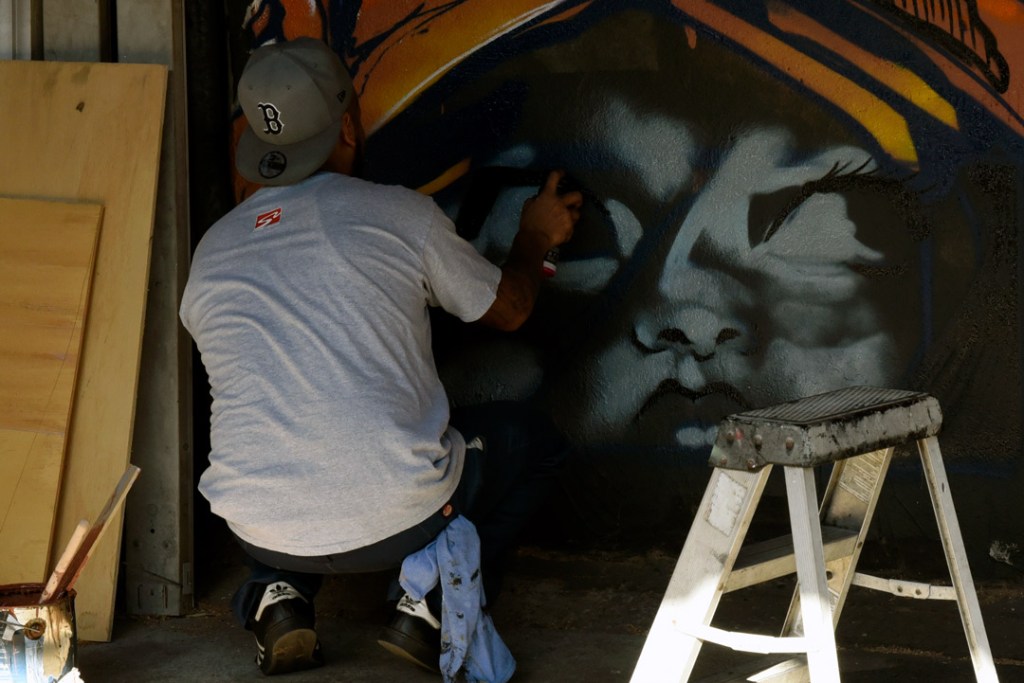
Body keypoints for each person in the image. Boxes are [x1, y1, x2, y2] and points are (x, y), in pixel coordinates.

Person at [179, 37, 582, 677]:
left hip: (257, 528)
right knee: (534, 441)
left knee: (279, 441)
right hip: (403, 518)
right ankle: (430, 600)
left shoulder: (211, 251)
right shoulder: (399, 215)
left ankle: (276, 595)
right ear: (346, 126)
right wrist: (535, 237)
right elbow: (509, 309)